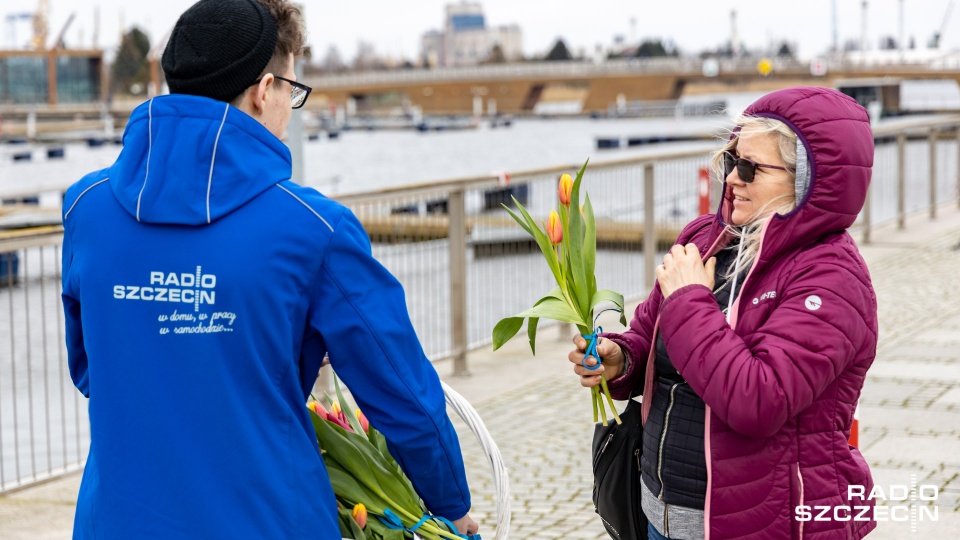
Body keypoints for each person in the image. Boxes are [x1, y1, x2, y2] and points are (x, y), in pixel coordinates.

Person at [60, 0, 478, 537]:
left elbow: (91, 368)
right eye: (292, 92)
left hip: (116, 520)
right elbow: (401, 391)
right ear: (264, 90)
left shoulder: (86, 209)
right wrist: (452, 503)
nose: (289, 109)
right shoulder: (314, 231)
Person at [570, 87, 878, 539]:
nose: (732, 178)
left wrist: (690, 301)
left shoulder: (831, 278)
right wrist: (622, 358)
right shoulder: (706, 239)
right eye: (731, 160)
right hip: (659, 513)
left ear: (807, 180)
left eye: (751, 168)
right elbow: (649, 335)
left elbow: (759, 401)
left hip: (766, 524)